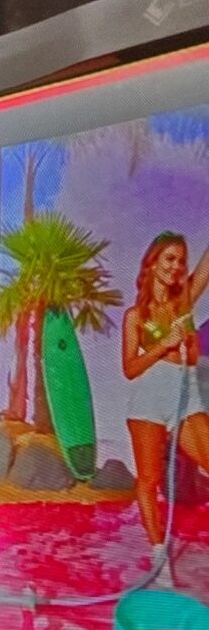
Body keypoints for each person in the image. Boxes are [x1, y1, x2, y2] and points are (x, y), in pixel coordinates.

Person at [120, 232, 209, 575]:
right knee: (149, 479)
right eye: (169, 259)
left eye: (181, 261)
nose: (176, 266)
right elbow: (130, 369)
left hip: (186, 394)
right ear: (153, 262)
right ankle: (160, 558)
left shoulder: (183, 302)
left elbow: (205, 269)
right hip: (149, 398)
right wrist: (163, 345)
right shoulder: (135, 316)